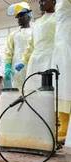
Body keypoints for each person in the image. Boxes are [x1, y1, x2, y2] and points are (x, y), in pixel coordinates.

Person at [21, 0, 56, 91]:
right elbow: (31, 44)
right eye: (39, 1)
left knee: (51, 89)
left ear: (53, 1)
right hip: (35, 60)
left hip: (51, 57)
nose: (40, 3)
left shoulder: (59, 16)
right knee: (32, 91)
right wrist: (24, 60)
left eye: (43, 0)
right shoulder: (37, 22)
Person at [51, 0, 71, 142]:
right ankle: (63, 127)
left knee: (68, 84)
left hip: (68, 41)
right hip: (59, 44)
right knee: (61, 86)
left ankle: (66, 129)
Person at [4, 1, 32, 89]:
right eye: (18, 17)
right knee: (18, 92)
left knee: (32, 91)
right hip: (16, 69)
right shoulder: (13, 34)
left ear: (29, 15)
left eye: (21, 16)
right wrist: (7, 66)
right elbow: (8, 52)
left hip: (32, 66)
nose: (19, 19)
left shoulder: (35, 31)